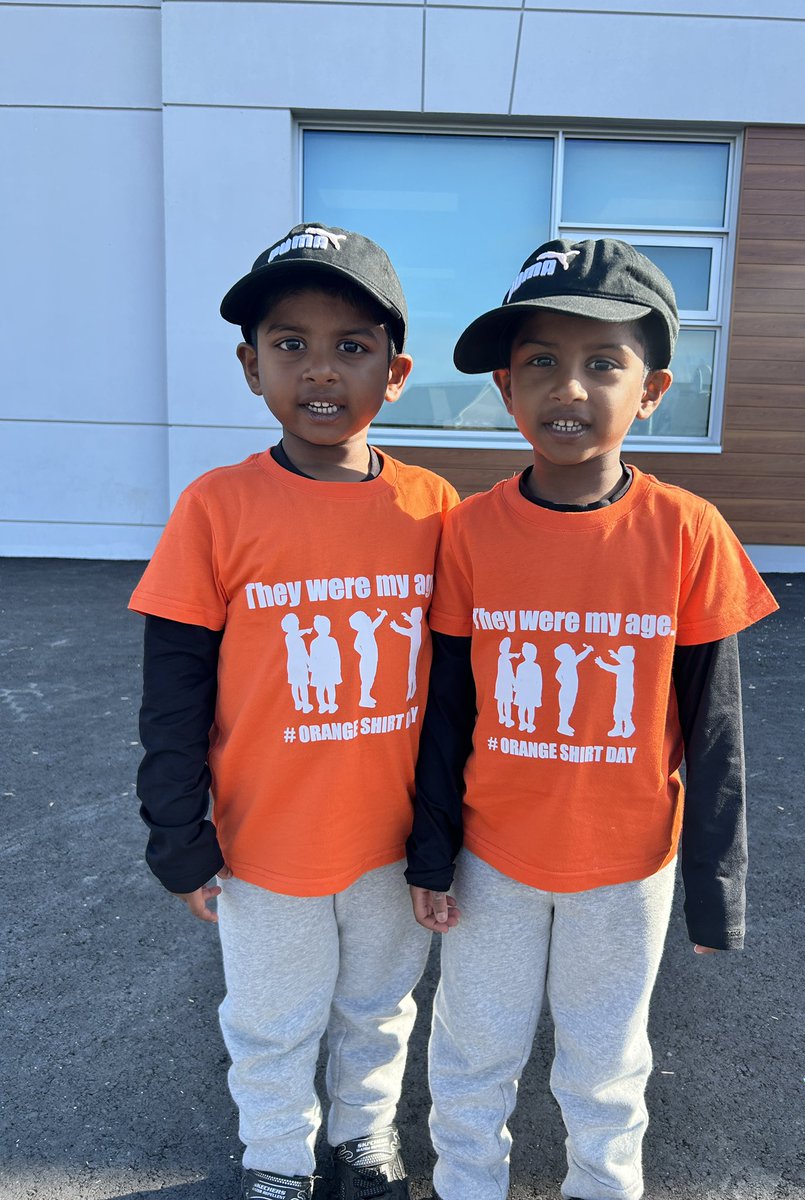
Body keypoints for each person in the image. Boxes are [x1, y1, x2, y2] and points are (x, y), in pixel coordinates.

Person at [405, 238, 778, 1200]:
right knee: (471, 1052)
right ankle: (466, 1186)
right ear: (504, 385)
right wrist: (433, 857)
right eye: (541, 361)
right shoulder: (470, 531)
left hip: (626, 867)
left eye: (602, 363)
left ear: (650, 390)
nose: (569, 387)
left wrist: (715, 883)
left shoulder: (687, 532)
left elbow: (715, 726)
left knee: (606, 1067)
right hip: (495, 861)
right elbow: (446, 712)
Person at [130, 222, 458, 1200]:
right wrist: (176, 833)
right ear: (250, 365)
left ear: (394, 375)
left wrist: (446, 832)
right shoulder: (216, 508)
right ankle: (277, 1157)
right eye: (291, 344)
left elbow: (457, 692)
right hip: (263, 843)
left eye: (352, 347)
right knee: (273, 1018)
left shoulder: (433, 508)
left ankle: (364, 1143)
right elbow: (173, 690)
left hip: (389, 841)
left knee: (378, 1005)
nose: (321, 370)